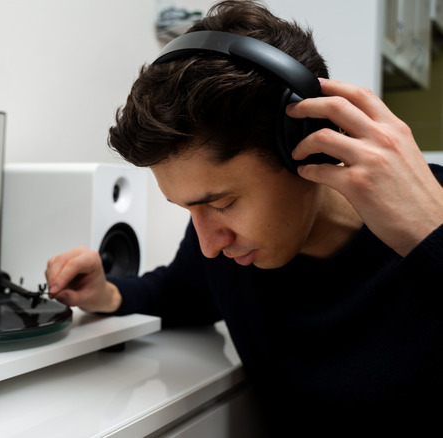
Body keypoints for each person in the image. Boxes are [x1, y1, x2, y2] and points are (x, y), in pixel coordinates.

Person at [44, 1, 443, 436]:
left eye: (221, 203)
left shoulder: (431, 217)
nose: (210, 244)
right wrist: (108, 293)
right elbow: (182, 291)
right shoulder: (228, 244)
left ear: (310, 146)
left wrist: (432, 236)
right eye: (189, 209)